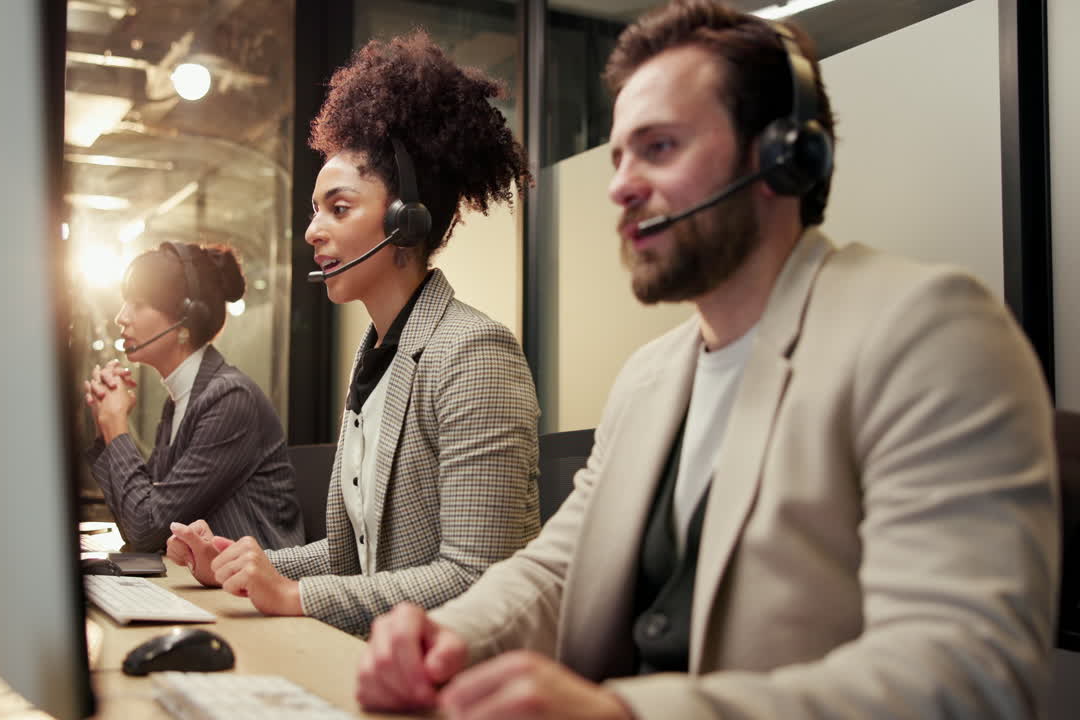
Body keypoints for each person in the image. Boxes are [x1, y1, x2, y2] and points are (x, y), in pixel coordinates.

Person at [356, 2, 1060, 718]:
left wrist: (625, 715)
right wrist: (446, 637)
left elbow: (971, 672)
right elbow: (559, 567)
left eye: (659, 148)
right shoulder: (651, 376)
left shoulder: (927, 332)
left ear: (783, 155)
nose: (619, 184)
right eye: (619, 153)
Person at [166, 31, 542, 637]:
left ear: (406, 220)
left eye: (338, 209)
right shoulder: (375, 362)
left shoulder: (472, 353)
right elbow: (350, 559)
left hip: (460, 678)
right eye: (316, 210)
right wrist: (238, 567)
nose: (313, 231)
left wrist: (295, 597)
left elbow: (478, 576)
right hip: (378, 663)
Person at [84, 242, 303, 553]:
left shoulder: (229, 398)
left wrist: (117, 425)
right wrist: (104, 426)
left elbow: (147, 528)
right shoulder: (178, 402)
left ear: (185, 318)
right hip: (208, 583)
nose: (121, 317)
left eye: (138, 303)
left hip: (250, 590)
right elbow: (137, 520)